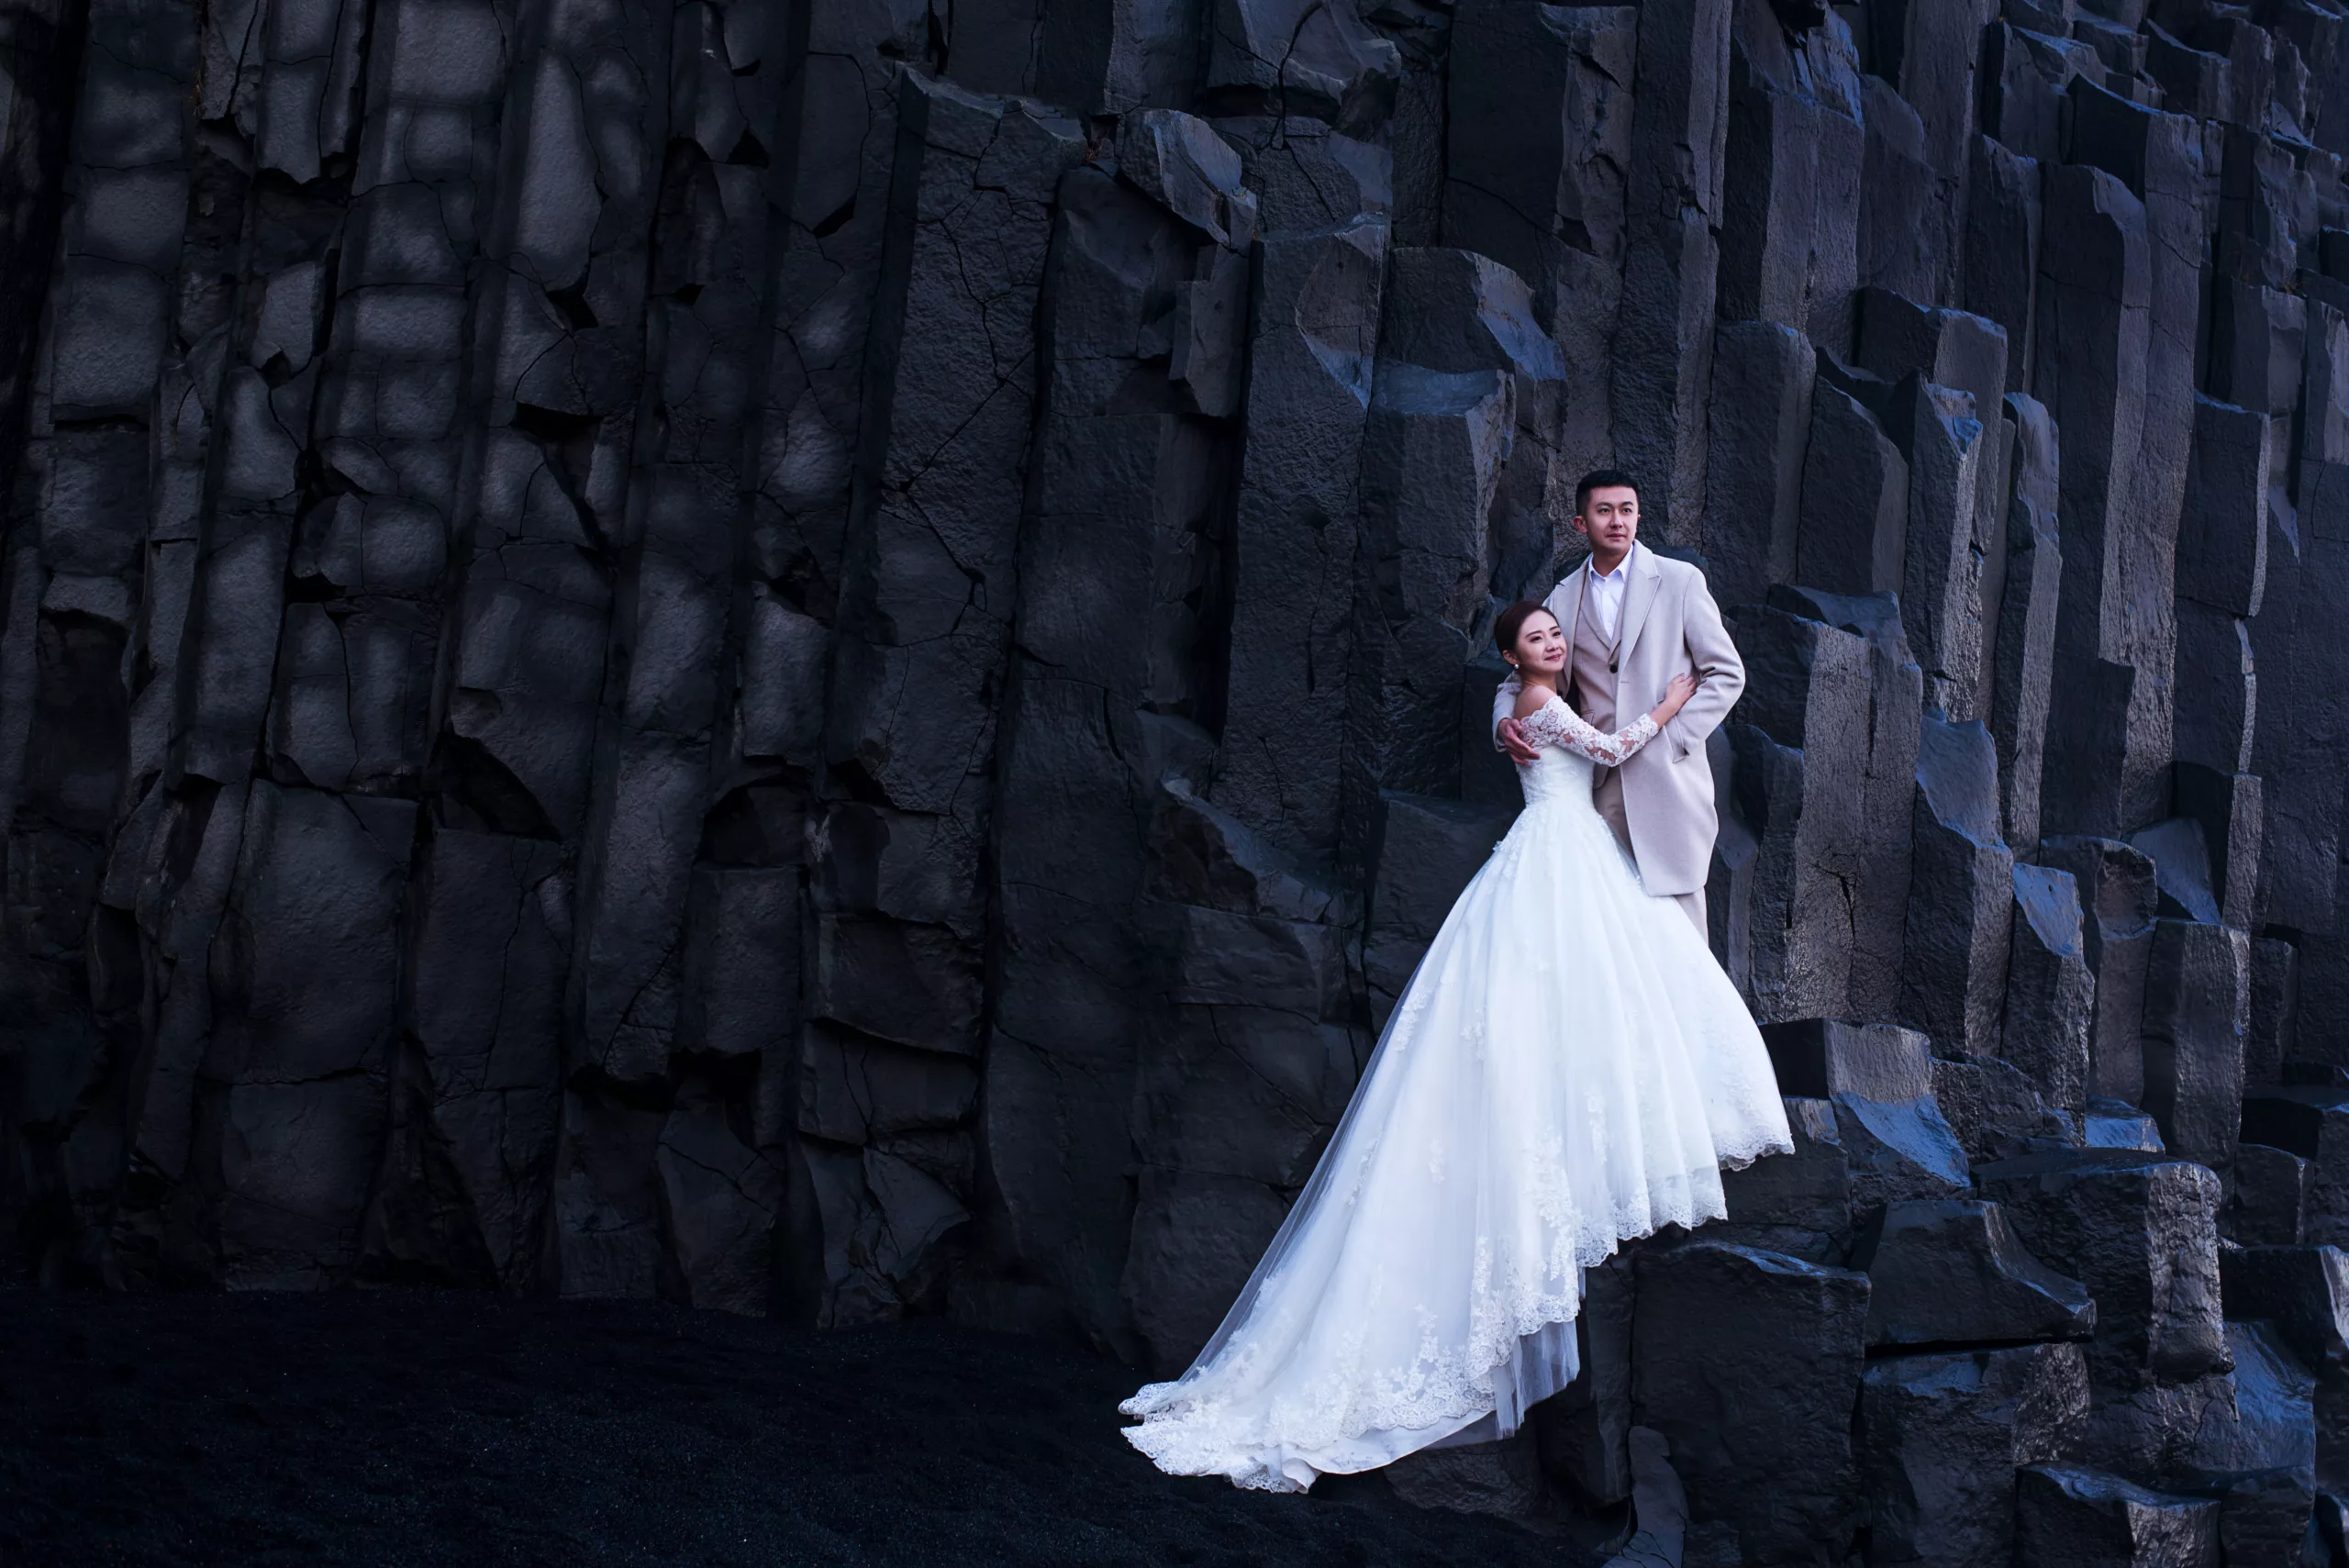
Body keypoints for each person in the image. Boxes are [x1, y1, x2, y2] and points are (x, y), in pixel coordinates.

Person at [1119, 599, 1794, 1493]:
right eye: (1536, 637)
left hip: (1557, 847)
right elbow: (1609, 749)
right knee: (1587, 979)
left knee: (1595, 979)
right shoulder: (1537, 703)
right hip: (1557, 849)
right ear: (1511, 655)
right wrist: (1671, 700)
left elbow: (1551, 717)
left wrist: (1546, 695)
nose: (1553, 641)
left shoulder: (1517, 700)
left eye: (1555, 631)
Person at [1494, 470, 1744, 936]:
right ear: (1580, 523)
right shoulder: (1564, 597)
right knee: (1613, 923)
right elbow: (1516, 680)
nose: (1617, 521)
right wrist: (1503, 724)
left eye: (1626, 510)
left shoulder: (1680, 581)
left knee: (1681, 916)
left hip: (1669, 776)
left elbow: (1727, 673)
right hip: (1601, 783)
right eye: (1604, 511)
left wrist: (1676, 738)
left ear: (1638, 517)